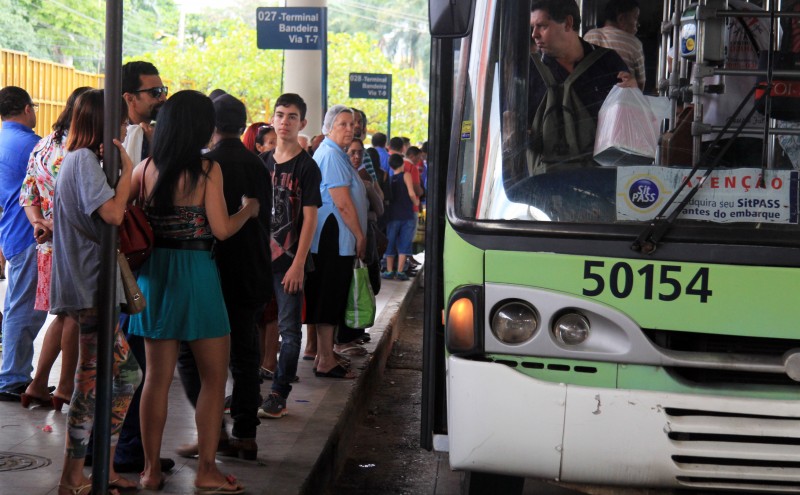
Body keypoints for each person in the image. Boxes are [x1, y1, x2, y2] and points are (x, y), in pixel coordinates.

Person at [127, 90, 256, 493]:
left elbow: (122, 219)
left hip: (154, 278)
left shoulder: (145, 169)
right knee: (214, 379)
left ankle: (149, 471)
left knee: (156, 380)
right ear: (200, 127)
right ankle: (206, 470)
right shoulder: (206, 170)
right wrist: (248, 209)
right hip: (197, 275)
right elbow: (221, 229)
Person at [50, 88, 140, 495]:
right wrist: (127, 170)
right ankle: (77, 475)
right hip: (90, 286)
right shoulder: (83, 161)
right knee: (103, 378)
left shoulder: (78, 161)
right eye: (120, 120)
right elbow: (114, 214)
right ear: (104, 123)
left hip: (88, 284)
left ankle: (93, 469)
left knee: (117, 376)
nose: (124, 126)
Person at [86, 59, 173, 474]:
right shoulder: (121, 140)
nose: (160, 98)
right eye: (153, 92)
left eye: (162, 91)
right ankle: (119, 452)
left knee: (116, 363)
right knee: (126, 366)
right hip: (116, 266)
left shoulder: (140, 135)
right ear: (128, 97)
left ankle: (107, 448)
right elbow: (119, 208)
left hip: (121, 264)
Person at [175, 92, 272, 460]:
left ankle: (213, 432)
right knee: (246, 356)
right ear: (245, 125)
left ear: (212, 126)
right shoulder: (259, 165)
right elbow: (265, 217)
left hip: (210, 271)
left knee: (191, 354)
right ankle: (246, 433)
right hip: (251, 271)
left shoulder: (204, 166)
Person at [19, 86, 91, 410]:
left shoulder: (43, 146)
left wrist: (39, 222)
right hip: (74, 243)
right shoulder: (78, 151)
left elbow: (28, 195)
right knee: (73, 315)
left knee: (61, 315)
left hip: (47, 243)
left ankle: (37, 384)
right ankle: (62, 388)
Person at [258, 93, 321, 418]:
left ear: (302, 123)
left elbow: (310, 218)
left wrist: (298, 263)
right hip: (259, 261)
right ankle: (249, 391)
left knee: (289, 330)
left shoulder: (306, 166)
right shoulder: (263, 162)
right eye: (280, 115)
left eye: (291, 117)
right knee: (251, 325)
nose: (284, 122)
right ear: (272, 118)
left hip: (290, 263)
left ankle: (280, 393)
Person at [528, 0, 634, 169]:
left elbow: (628, 128)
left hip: (601, 179)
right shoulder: (529, 71)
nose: (534, 34)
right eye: (533, 27)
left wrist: (632, 94)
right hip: (545, 185)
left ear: (568, 23)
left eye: (542, 26)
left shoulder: (609, 63)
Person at [306, 105, 367, 379]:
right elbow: (342, 203)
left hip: (335, 236)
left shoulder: (336, 154)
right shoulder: (330, 154)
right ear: (328, 127)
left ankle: (325, 354)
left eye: (352, 124)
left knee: (330, 295)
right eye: (342, 124)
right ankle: (326, 360)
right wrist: (360, 235)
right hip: (334, 236)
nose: (349, 128)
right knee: (330, 296)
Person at [0, 86, 49, 402]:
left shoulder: (3, 141)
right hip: (31, 232)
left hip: (12, 233)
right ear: (28, 109)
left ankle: (14, 374)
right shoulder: (33, 145)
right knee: (25, 308)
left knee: (17, 304)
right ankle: (12, 378)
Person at [584, 0, 645, 90]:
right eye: (636, 18)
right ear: (621, 19)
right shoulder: (634, 43)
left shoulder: (589, 36)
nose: (638, 24)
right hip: (621, 100)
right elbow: (640, 84)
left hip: (593, 98)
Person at [381, 154, 419, 281]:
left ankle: (389, 270)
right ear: (402, 163)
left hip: (392, 215)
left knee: (390, 241)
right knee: (405, 242)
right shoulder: (406, 175)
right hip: (407, 214)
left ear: (391, 166)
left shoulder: (390, 178)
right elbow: (411, 192)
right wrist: (416, 202)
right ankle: (400, 271)